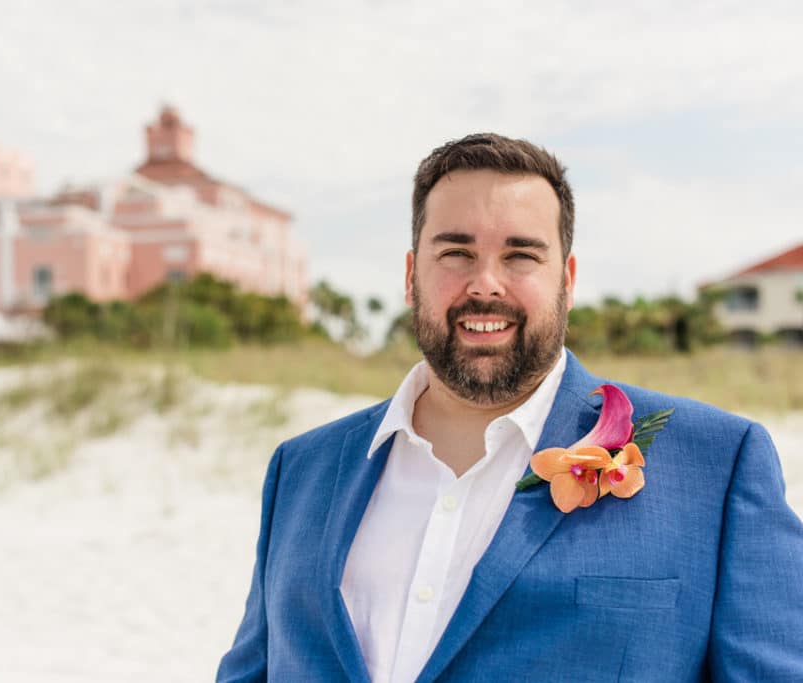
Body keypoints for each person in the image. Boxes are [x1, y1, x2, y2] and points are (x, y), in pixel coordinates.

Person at [216, 134, 803, 682]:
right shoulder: (300, 471)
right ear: (410, 275)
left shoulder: (717, 467)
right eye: (455, 253)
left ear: (567, 282)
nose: (486, 284)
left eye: (521, 255)